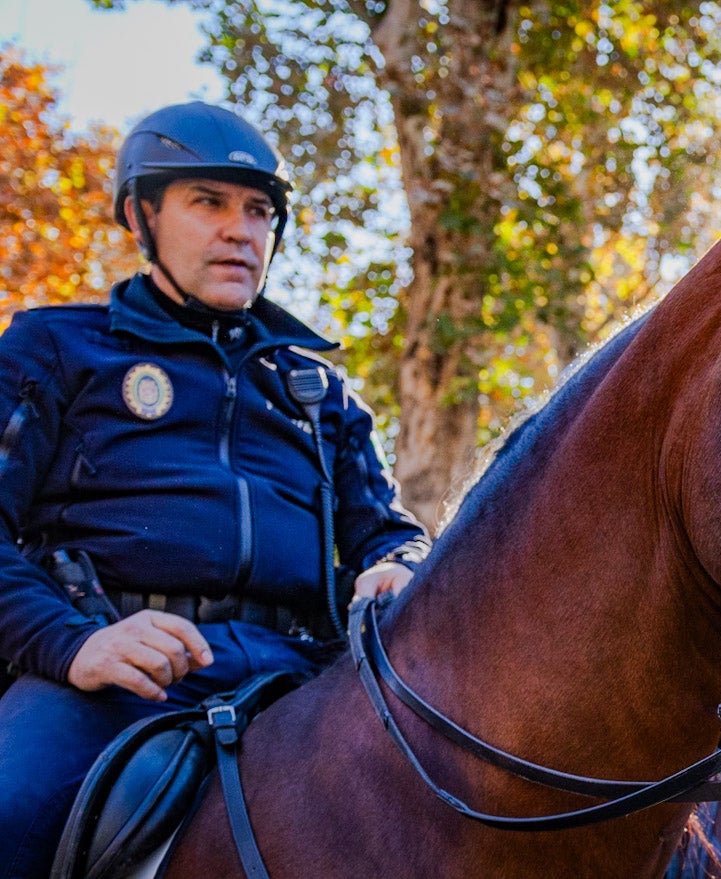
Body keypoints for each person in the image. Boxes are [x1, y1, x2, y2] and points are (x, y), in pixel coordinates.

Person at [0, 101, 431, 877]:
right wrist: (76, 644)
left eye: (259, 210)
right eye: (209, 202)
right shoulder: (54, 346)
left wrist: (397, 562)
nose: (241, 230)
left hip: (302, 674)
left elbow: (388, 531)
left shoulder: (317, 390)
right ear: (142, 213)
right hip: (110, 676)